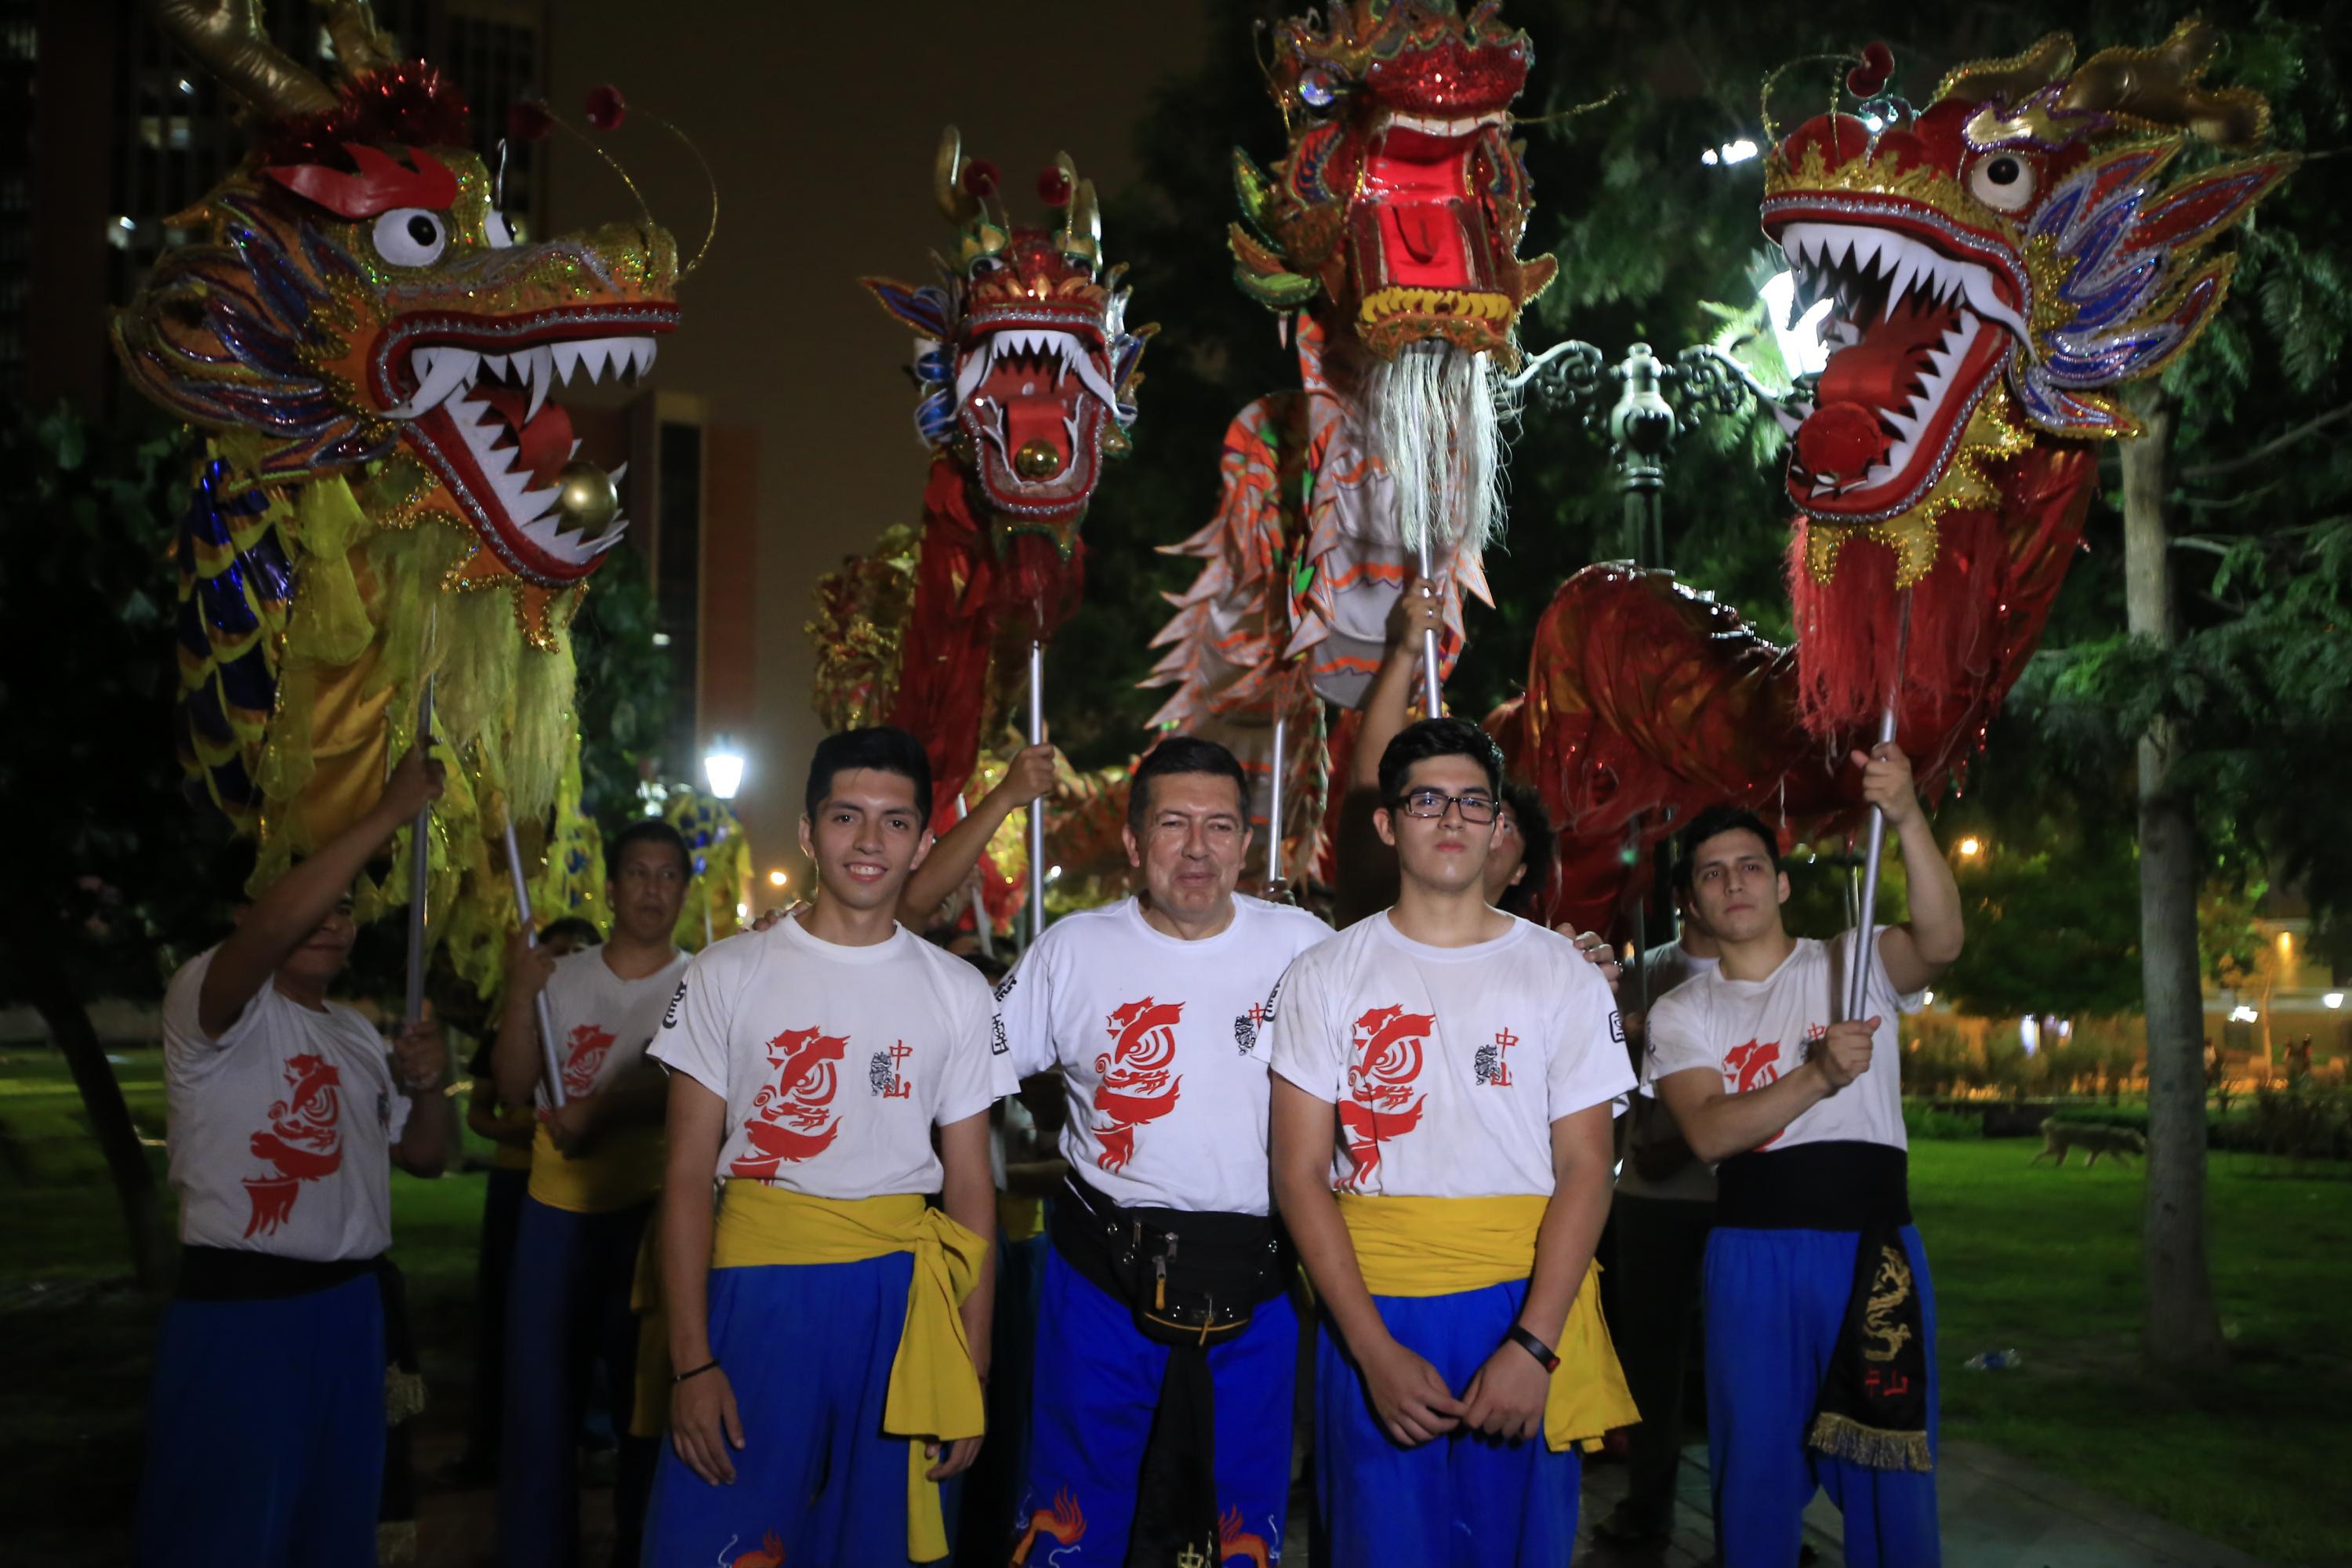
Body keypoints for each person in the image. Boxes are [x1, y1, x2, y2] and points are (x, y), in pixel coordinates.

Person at [1269, 717, 1635, 1567]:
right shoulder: (1326, 974)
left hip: (1521, 1298)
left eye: (1474, 801)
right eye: (1426, 798)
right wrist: (1371, 1350)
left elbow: (1588, 1168)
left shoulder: (1561, 973)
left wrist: (1534, 1345)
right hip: (1375, 1301)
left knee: (1518, 1544)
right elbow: (1298, 1174)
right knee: (1377, 1543)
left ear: (1499, 823)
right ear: (1389, 823)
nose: (1452, 818)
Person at [643, 726, 1000, 1567]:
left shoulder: (958, 989)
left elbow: (972, 1183)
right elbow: (687, 1174)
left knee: (876, 1545)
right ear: (809, 832)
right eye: (847, 816)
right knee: (720, 1533)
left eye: (896, 821)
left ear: (923, 841)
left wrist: (973, 1354)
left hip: (902, 1301)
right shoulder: (727, 971)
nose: (870, 841)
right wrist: (691, 1361)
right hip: (756, 1294)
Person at [992, 735, 1332, 1566]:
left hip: (1258, 1279)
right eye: (1173, 823)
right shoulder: (1073, 950)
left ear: (1248, 845)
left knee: (1241, 1519)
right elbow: (965, 1064)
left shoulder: (1306, 947)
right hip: (1101, 1278)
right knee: (1073, 1513)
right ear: (1134, 841)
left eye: (1219, 826)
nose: (1196, 847)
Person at [1644, 749, 1964, 1568]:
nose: (1735, 881)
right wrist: (1820, 1071)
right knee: (1751, 1476)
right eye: (1713, 874)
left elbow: (1941, 937)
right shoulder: (1683, 1007)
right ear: (1693, 900)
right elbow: (1712, 1132)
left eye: (1752, 864)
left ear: (1782, 883)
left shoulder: (1849, 962)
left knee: (1894, 1469)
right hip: (1752, 1255)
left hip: (1872, 1251)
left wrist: (1907, 814)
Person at [136, 746, 454, 1566]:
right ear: (253, 913)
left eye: (347, 907)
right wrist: (387, 814)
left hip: (349, 1311)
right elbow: (279, 921)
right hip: (245, 1313)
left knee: (336, 1525)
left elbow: (423, 1158)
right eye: (316, 901)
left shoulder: (352, 1029)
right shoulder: (213, 1001)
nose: (332, 918)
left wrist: (427, 1086)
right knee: (229, 1527)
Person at [493, 826, 693, 1567]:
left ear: (683, 889)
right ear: (610, 888)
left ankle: (643, 1549)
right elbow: (515, 1086)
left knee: (648, 1411)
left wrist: (601, 1109)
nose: (651, 889)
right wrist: (519, 998)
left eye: (667, 875)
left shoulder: (701, 982)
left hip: (650, 1220)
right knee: (542, 1406)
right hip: (554, 1216)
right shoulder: (561, 978)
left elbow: (690, 1088)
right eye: (637, 873)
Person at [1592, 891, 1724, 1547]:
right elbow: (1601, 1081)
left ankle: (1758, 1512)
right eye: (1706, 875)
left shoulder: (1764, 971)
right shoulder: (1646, 971)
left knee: (1739, 1365)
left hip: (1737, 1199)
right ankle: (1649, 1505)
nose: (1724, 890)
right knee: (1651, 1362)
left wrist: (1690, 1143)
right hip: (1650, 1196)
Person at [452, 915, 603, 1490]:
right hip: (520, 1187)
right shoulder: (513, 1024)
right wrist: (530, 1129)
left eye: (580, 953)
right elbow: (484, 1112)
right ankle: (499, 1444)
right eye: (556, 953)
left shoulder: (597, 1016)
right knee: (511, 1317)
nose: (566, 963)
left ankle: (594, 1434)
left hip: (588, 1189)